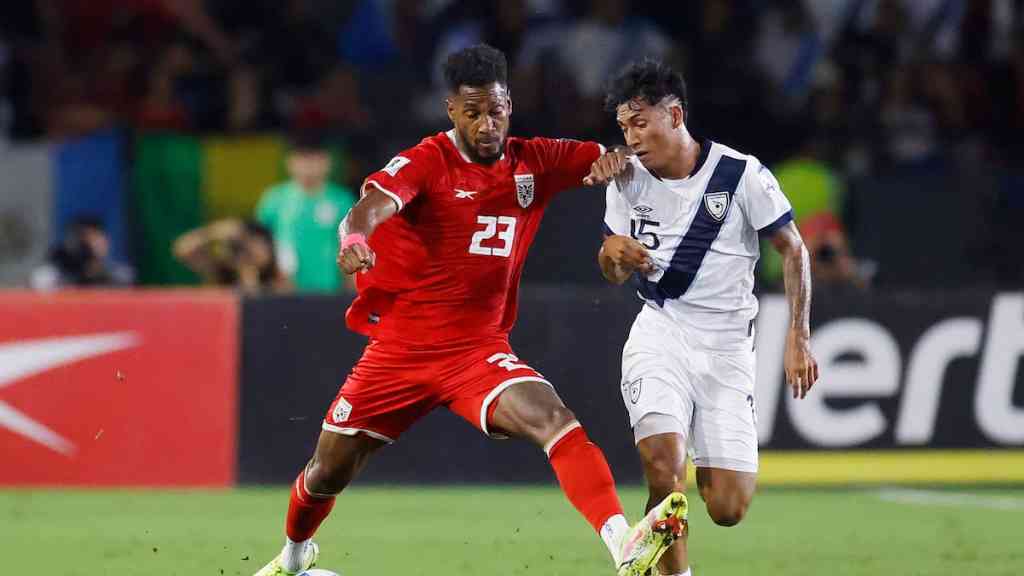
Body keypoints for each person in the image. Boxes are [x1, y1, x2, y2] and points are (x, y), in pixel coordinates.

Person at [253, 44, 686, 576]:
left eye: (497, 110)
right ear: (451, 111)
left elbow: (613, 156)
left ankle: (624, 544)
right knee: (327, 471)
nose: (487, 124)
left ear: (511, 105)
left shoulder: (536, 160)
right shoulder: (426, 161)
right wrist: (355, 238)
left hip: (476, 353)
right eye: (474, 112)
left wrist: (614, 158)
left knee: (553, 419)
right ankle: (294, 559)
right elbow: (369, 208)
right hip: (400, 352)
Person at [588, 59, 820, 576]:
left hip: (727, 349)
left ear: (675, 115)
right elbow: (610, 269)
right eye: (624, 126)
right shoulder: (624, 180)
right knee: (664, 470)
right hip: (660, 332)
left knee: (728, 506)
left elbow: (794, 249)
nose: (632, 136)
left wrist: (798, 337)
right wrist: (615, 254)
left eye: (641, 122)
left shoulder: (741, 174)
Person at [256, 132, 355, 293]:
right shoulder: (274, 199)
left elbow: (350, 246)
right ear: (290, 162)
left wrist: (351, 290)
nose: (308, 164)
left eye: (314, 158)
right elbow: (260, 245)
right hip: (284, 291)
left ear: (327, 162)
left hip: (329, 291)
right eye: (302, 158)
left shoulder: (342, 200)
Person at [172, 218, 291, 293]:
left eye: (256, 244)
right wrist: (212, 233)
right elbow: (182, 249)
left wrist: (249, 275)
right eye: (245, 247)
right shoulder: (223, 268)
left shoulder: (278, 275)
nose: (248, 252)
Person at [31, 216, 134, 290]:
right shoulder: (51, 275)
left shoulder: (119, 276)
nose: (86, 245)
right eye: (82, 239)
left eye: (94, 238)